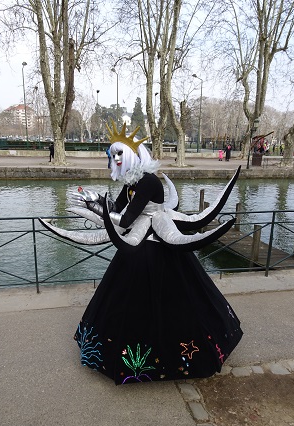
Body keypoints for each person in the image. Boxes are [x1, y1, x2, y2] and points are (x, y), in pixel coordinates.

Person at [39, 122, 243, 385]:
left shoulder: (147, 181)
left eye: (119, 154)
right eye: (112, 155)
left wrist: (98, 209)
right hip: (137, 248)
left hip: (156, 244)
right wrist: (97, 201)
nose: (115, 160)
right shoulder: (131, 182)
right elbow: (119, 207)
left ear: (134, 155)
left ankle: (174, 361)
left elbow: (124, 221)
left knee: (172, 303)